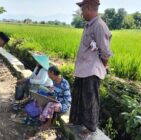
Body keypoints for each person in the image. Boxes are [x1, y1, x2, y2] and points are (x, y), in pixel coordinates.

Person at [69, 0, 112, 138]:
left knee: (90, 100)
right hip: (83, 69)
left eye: (82, 9)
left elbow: (105, 52)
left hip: (91, 70)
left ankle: (90, 129)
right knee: (78, 96)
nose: (81, 13)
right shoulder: (89, 26)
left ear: (88, 8)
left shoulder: (99, 26)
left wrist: (101, 68)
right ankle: (76, 121)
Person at [39, 66, 72, 131]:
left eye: (49, 75)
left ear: (52, 73)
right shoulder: (54, 81)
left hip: (64, 104)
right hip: (56, 101)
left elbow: (67, 99)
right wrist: (50, 94)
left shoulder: (65, 83)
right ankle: (43, 120)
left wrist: (55, 99)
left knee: (51, 105)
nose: (49, 77)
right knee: (43, 100)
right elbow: (55, 93)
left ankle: (49, 123)